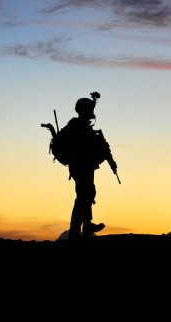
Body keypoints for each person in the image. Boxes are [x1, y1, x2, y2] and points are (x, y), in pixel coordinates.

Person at [62, 93, 110, 240]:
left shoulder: (81, 125)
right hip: (80, 166)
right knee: (84, 195)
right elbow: (84, 146)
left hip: (85, 166)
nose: (92, 113)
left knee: (86, 194)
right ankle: (76, 231)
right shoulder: (77, 126)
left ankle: (85, 225)